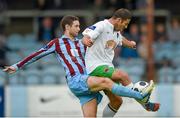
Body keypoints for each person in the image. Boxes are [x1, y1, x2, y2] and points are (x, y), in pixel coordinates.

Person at [3, 15, 154, 117]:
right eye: (76, 26)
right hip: (77, 80)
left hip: (85, 84)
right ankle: (140, 95)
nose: (79, 29)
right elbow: (36, 54)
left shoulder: (82, 42)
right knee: (107, 83)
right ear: (67, 27)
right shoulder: (57, 43)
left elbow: (103, 42)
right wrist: (17, 66)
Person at [82, 8, 160, 117]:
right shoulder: (102, 25)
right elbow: (87, 35)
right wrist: (86, 40)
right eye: (125, 23)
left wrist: (131, 44)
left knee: (117, 101)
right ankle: (145, 103)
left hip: (106, 68)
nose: (126, 26)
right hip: (95, 67)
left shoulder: (116, 32)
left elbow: (121, 39)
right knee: (122, 75)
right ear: (118, 20)